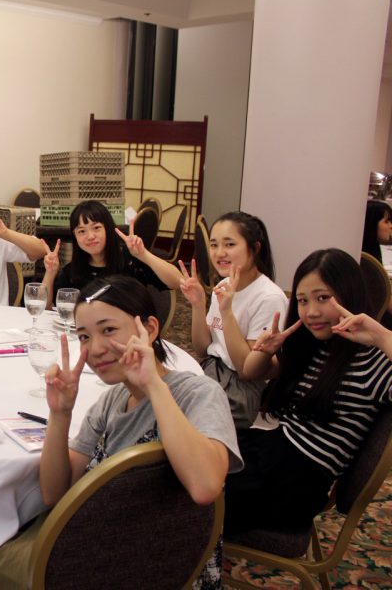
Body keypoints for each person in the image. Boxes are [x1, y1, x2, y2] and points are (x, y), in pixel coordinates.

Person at [0, 275, 242, 589]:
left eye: (108, 330)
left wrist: (154, 385)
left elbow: (205, 487)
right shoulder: (110, 402)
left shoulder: (198, 393)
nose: (96, 348)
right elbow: (54, 493)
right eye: (84, 336)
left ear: (150, 329)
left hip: (159, 566)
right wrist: (60, 414)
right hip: (103, 551)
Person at [225, 248, 392, 534]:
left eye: (323, 298)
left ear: (348, 293)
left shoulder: (372, 363)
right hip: (274, 453)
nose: (311, 311)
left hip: (294, 485)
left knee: (191, 487)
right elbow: (250, 371)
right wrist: (266, 351)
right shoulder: (317, 346)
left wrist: (381, 336)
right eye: (303, 300)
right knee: (191, 453)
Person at [179, 211, 288, 429]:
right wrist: (198, 304)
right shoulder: (224, 285)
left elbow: (246, 370)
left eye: (229, 244)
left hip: (240, 388)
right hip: (211, 369)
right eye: (214, 245)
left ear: (254, 248)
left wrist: (227, 312)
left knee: (182, 424)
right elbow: (202, 349)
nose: (220, 253)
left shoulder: (269, 298)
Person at [41, 200, 183, 308]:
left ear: (108, 229)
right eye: (82, 231)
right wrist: (50, 273)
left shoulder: (130, 261)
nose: (90, 236)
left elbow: (178, 281)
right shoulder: (73, 271)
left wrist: (143, 255)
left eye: (96, 228)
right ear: (75, 237)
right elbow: (45, 307)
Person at [361, 199, 392, 263]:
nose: (391, 226)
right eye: (386, 221)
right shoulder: (364, 259)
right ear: (372, 224)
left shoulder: (374, 250)